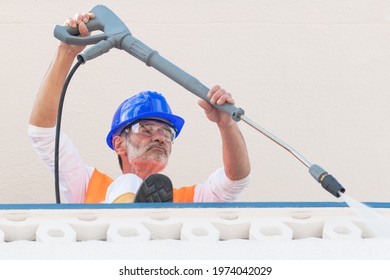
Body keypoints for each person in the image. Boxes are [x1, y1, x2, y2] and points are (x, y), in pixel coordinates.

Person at [28, 12, 251, 203]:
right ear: (118, 143)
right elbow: (42, 133)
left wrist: (227, 126)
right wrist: (66, 53)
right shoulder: (88, 187)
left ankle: (145, 221)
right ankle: (131, 218)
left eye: (166, 132)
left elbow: (236, 180)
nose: (161, 138)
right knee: (128, 182)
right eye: (146, 130)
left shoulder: (187, 199)